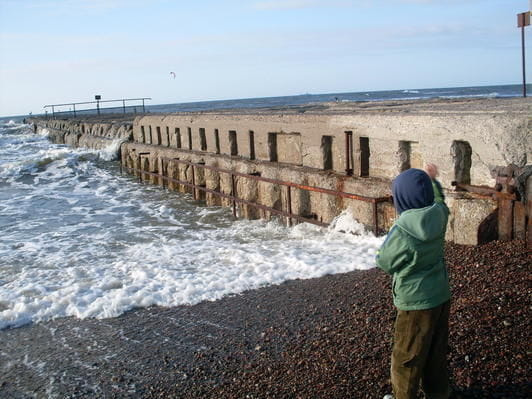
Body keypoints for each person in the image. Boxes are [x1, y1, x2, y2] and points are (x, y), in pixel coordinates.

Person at [376, 168, 451, 399]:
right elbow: (438, 199)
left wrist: (392, 234)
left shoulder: (402, 230)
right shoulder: (440, 213)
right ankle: (438, 394)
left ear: (401, 200)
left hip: (414, 303)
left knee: (406, 357)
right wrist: (432, 182)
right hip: (440, 295)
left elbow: (385, 261)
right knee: (434, 352)